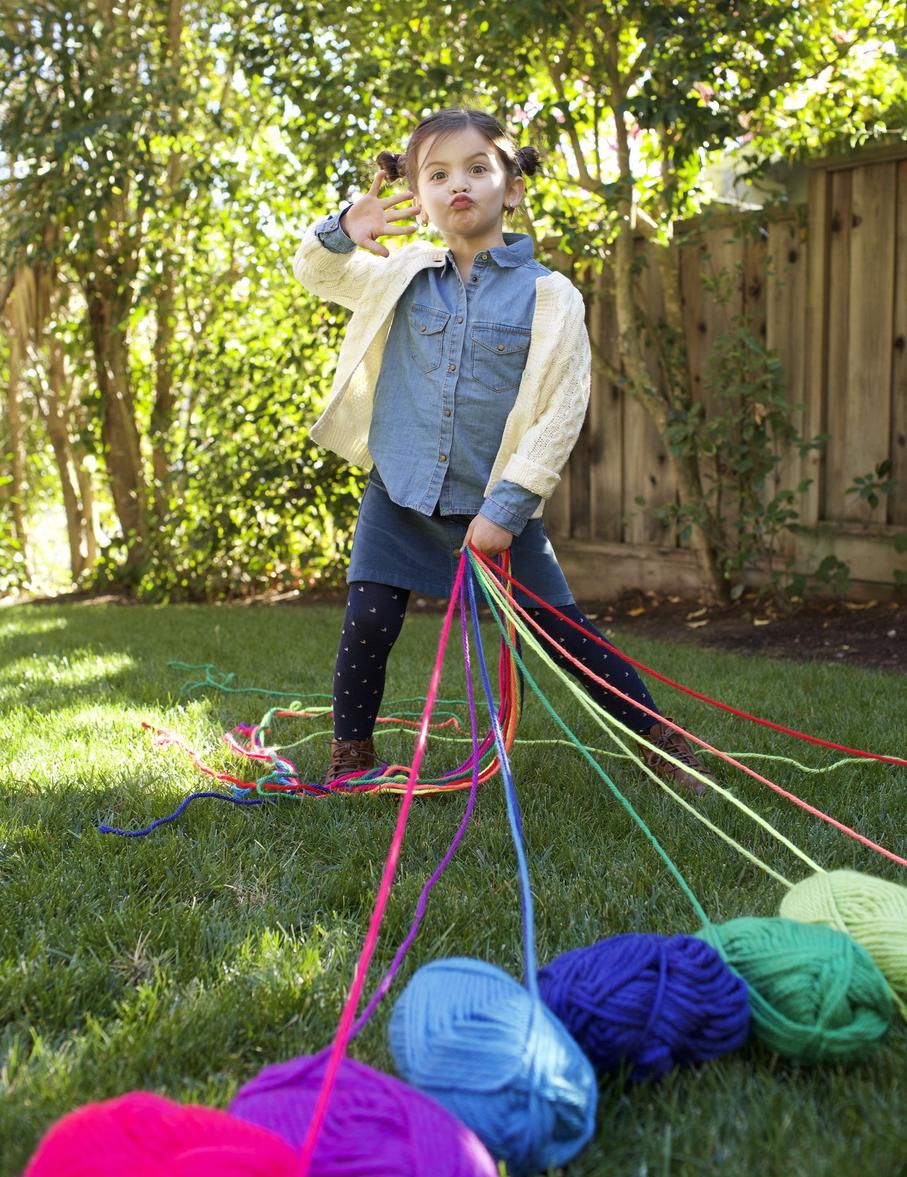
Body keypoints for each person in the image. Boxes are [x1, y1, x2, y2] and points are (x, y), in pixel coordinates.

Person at [292, 107, 713, 794]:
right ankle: (350, 756)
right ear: (419, 197)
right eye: (437, 174)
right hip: (400, 493)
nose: (458, 184)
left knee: (564, 635)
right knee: (368, 621)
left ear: (511, 187)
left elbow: (558, 411)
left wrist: (508, 507)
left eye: (477, 168)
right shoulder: (397, 273)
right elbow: (318, 273)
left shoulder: (549, 296)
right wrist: (342, 231)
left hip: (494, 508)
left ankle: (662, 744)